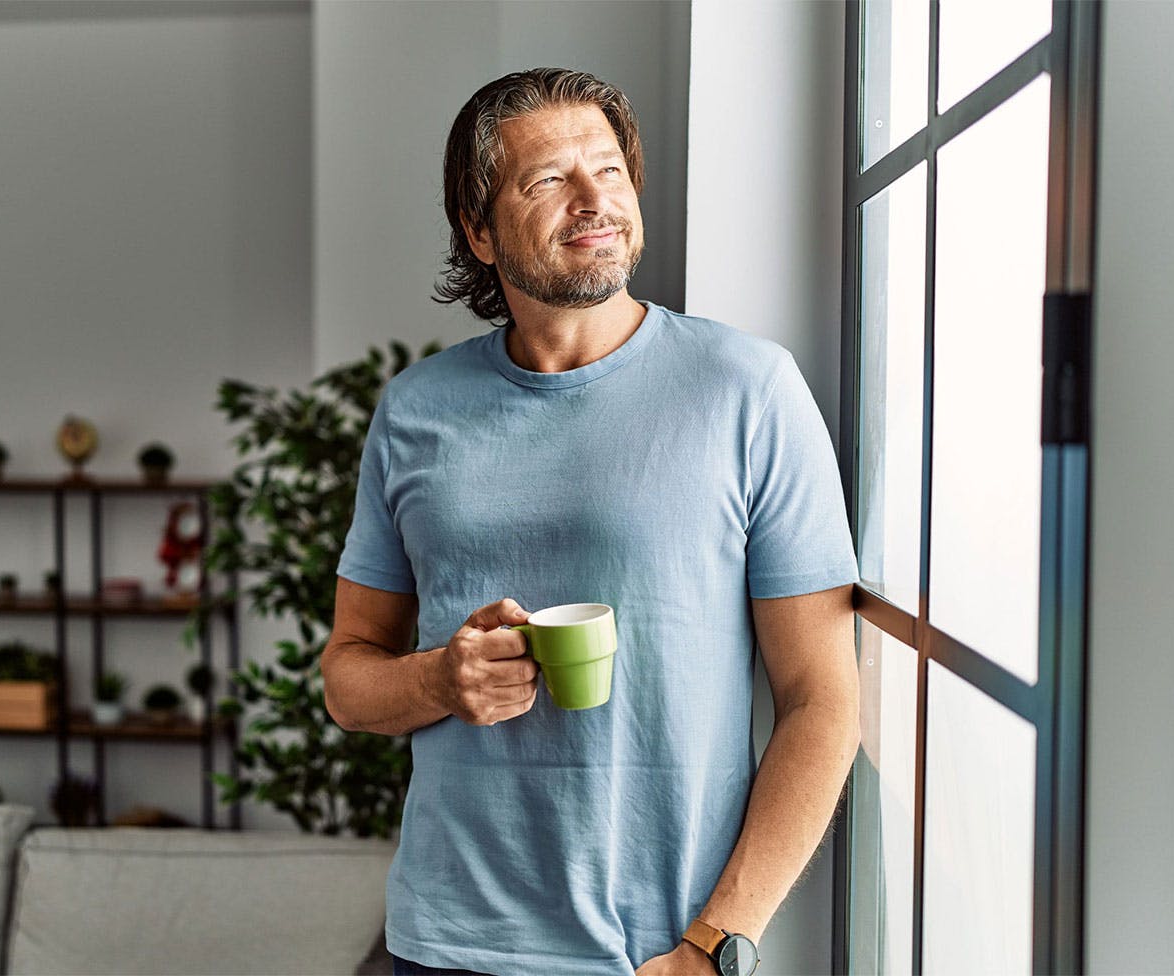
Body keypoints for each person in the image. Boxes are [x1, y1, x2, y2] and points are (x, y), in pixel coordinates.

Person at [322, 67, 860, 976]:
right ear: (479, 231)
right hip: (443, 944)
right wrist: (441, 681)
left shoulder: (747, 389)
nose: (593, 201)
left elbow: (823, 700)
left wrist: (715, 944)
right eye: (547, 181)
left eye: (608, 171)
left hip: (655, 954)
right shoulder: (416, 410)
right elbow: (348, 677)